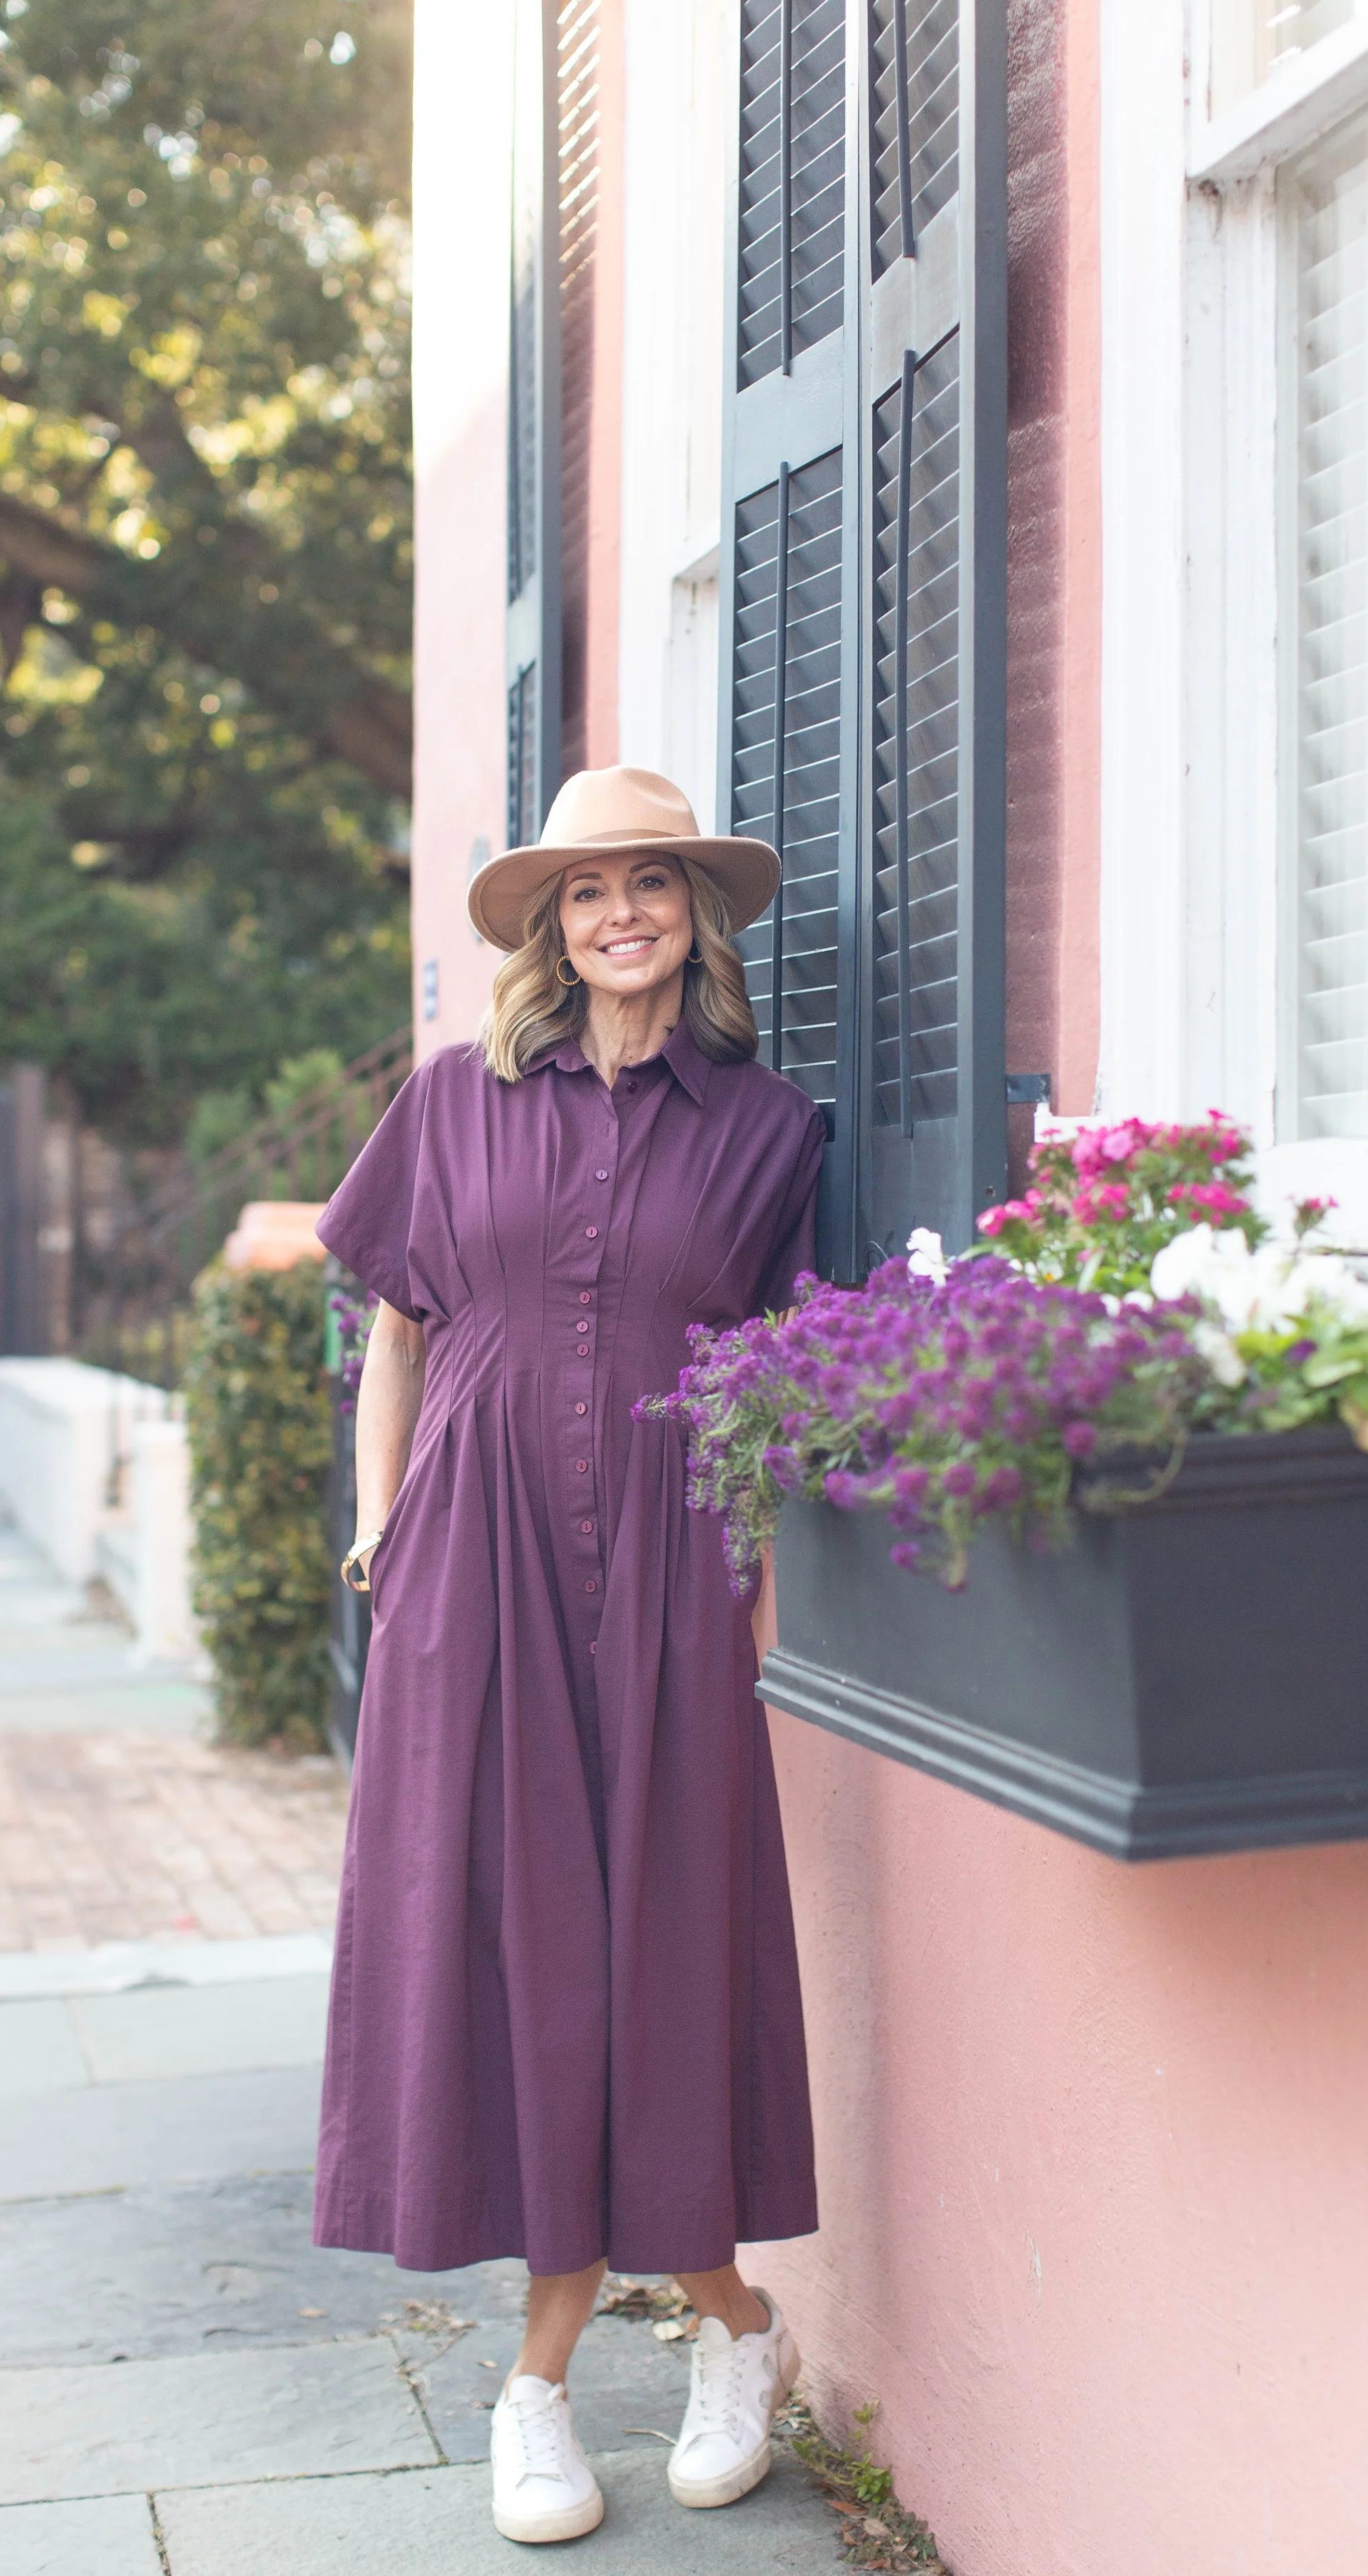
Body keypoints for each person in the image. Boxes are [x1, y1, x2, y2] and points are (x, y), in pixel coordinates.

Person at [313, 766, 824, 2545]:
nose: (622, 916)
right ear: (552, 924)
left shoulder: (768, 1127)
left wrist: (753, 1555)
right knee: (513, 1942)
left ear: (696, 916)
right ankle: (539, 2384)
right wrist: (379, 1530)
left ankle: (728, 2333)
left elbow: (781, 1362)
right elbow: (394, 1330)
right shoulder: (453, 1101)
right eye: (589, 892)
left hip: (679, 1573)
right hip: (478, 1558)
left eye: (653, 887)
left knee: (668, 1935)